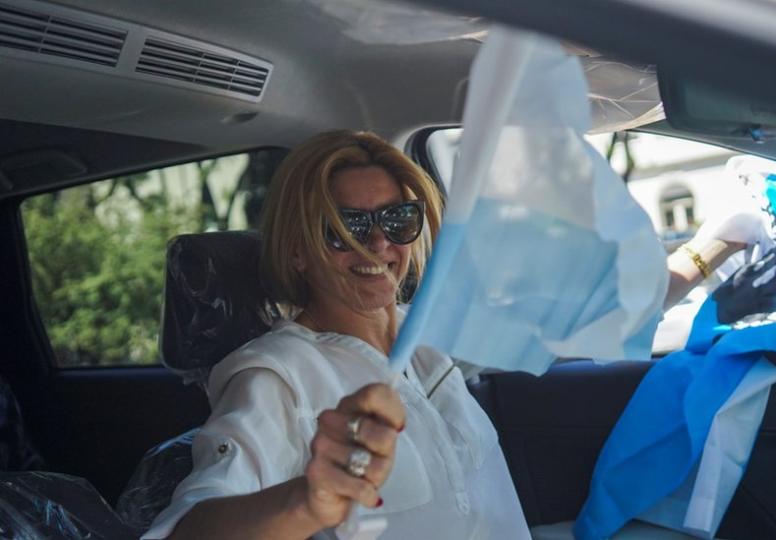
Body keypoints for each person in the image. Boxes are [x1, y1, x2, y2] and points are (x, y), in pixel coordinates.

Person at [143, 131, 531, 539]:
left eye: (398, 219)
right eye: (346, 227)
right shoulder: (277, 376)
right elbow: (188, 530)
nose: (379, 243)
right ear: (298, 250)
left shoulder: (426, 333)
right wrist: (308, 501)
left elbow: (538, 331)